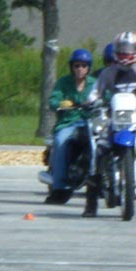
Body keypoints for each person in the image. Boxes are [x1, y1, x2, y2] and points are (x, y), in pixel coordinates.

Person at [90, 30, 136, 214]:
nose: (125, 53)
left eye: (129, 49)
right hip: (113, 121)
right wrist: (92, 101)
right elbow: (95, 90)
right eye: (121, 49)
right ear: (115, 50)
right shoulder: (108, 72)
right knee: (98, 149)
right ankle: (91, 202)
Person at [43, 48, 96, 204]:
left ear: (88, 68)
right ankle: (59, 188)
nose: (80, 69)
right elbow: (53, 100)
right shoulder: (63, 82)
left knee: (101, 143)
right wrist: (61, 103)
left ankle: (103, 181)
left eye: (84, 66)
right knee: (60, 142)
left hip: (89, 122)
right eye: (76, 65)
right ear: (71, 67)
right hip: (68, 122)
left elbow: (106, 96)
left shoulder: (95, 83)